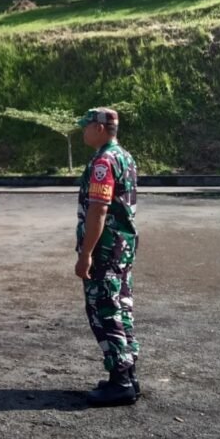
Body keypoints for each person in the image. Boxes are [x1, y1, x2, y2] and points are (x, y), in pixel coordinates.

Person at [74, 107, 140, 406]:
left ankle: (120, 382)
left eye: (86, 126)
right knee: (121, 307)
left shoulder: (103, 162)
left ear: (99, 128)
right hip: (122, 247)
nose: (83, 131)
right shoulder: (124, 156)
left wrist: (86, 253)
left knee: (105, 309)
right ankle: (128, 374)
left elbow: (99, 210)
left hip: (105, 248)